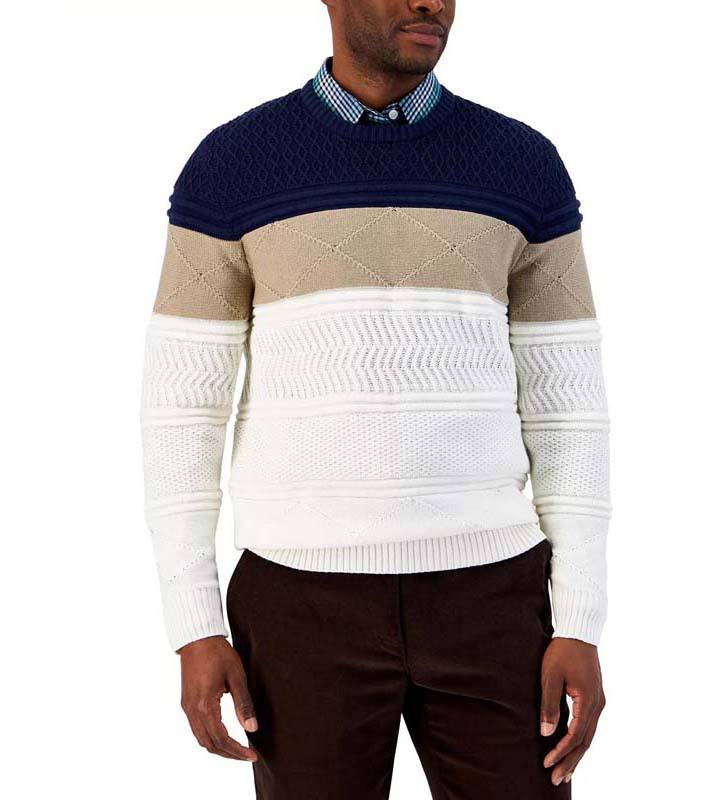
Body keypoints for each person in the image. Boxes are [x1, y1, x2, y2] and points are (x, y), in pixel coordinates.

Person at [140, 1, 610, 796]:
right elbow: (183, 412)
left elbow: (568, 407)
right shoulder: (233, 165)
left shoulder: (523, 165)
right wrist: (194, 626)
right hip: (297, 604)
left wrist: (580, 621)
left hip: (494, 597)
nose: (433, 2)